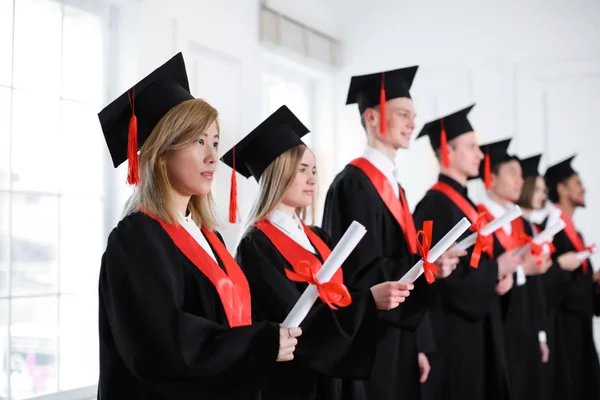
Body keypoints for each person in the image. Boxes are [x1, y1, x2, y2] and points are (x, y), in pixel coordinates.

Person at [96, 53, 301, 400]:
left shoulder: (211, 237)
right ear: (161, 152)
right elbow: (161, 343)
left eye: (215, 142)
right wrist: (259, 343)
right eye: (197, 141)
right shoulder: (137, 240)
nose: (212, 157)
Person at [221, 105, 415, 400]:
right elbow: (293, 317)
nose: (313, 179)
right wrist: (367, 302)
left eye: (314, 170)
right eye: (302, 170)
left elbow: (345, 295)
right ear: (277, 173)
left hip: (337, 374)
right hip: (297, 380)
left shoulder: (318, 237)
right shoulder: (256, 245)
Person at [322, 67, 463, 400]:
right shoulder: (353, 184)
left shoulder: (395, 188)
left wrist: (421, 342)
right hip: (371, 336)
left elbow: (401, 259)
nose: (412, 123)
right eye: (403, 114)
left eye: (413, 116)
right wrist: (421, 267)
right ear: (371, 116)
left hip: (401, 334)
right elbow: (358, 270)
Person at [413, 105, 519, 400]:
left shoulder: (467, 205)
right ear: (448, 149)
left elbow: (484, 264)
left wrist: (502, 280)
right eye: (472, 146)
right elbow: (443, 281)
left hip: (480, 328)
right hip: (454, 336)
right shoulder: (433, 206)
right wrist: (495, 270)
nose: (480, 154)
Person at [477, 144, 552, 400]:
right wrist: (523, 272)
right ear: (492, 177)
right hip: (497, 328)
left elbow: (537, 285)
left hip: (526, 326)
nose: (520, 180)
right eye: (512, 173)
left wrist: (541, 333)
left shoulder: (521, 222)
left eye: (521, 175)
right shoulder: (479, 220)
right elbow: (482, 278)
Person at [542, 155, 600, 400]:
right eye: (577, 182)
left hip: (579, 330)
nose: (584, 187)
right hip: (562, 334)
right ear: (561, 188)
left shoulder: (573, 231)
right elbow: (556, 287)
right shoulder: (552, 229)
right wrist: (592, 281)